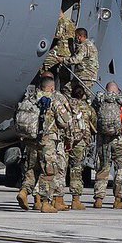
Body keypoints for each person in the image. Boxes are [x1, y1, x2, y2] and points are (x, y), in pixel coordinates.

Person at [18, 72, 71, 213]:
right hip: (47, 142)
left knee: (31, 170)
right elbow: (65, 122)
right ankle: (45, 203)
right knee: (48, 172)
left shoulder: (30, 99)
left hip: (30, 141)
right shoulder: (54, 100)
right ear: (52, 88)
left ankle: (24, 191)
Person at [93, 81, 122, 209]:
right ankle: (118, 200)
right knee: (121, 171)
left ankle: (99, 199)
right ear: (118, 90)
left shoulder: (99, 101)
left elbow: (93, 120)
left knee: (103, 169)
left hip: (104, 141)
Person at [64, 78, 96, 210]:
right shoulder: (87, 108)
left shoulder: (66, 104)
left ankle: (57, 198)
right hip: (80, 141)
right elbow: (94, 122)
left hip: (65, 140)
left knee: (60, 169)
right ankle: (75, 199)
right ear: (83, 95)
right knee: (76, 169)